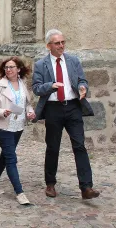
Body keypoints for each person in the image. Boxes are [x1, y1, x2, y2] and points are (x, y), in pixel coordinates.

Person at [32, 29, 100, 200]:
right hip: (53, 109)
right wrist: (51, 86)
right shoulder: (41, 64)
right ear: (49, 46)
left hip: (73, 107)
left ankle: (86, 187)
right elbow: (36, 88)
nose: (61, 46)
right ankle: (50, 183)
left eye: (63, 42)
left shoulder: (73, 61)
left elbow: (82, 80)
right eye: (57, 43)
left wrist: (83, 87)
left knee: (79, 145)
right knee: (53, 147)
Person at [0, 57, 35, 205]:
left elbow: (26, 103)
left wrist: (30, 112)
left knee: (6, 155)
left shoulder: (22, 83)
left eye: (12, 67)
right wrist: (2, 112)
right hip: (3, 126)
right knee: (11, 158)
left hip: (18, 125)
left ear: (18, 69)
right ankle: (19, 192)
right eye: (6, 67)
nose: (9, 70)